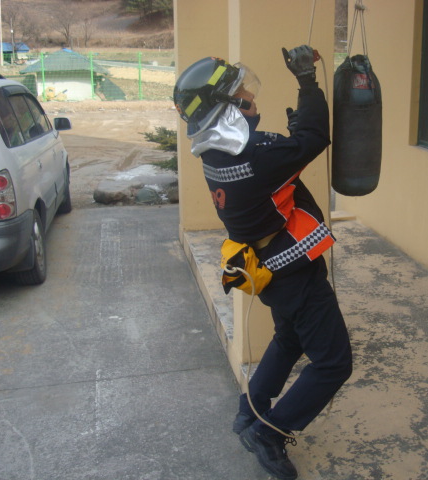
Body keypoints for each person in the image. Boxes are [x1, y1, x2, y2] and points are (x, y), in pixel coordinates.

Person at [174, 45, 353, 480]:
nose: (252, 100)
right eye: (243, 95)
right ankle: (269, 432)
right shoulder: (260, 154)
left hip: (270, 270)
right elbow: (314, 137)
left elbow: (280, 160)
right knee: (333, 363)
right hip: (294, 273)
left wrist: (290, 142)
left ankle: (249, 409)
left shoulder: (215, 154)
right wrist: (307, 82)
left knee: (289, 340)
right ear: (227, 109)